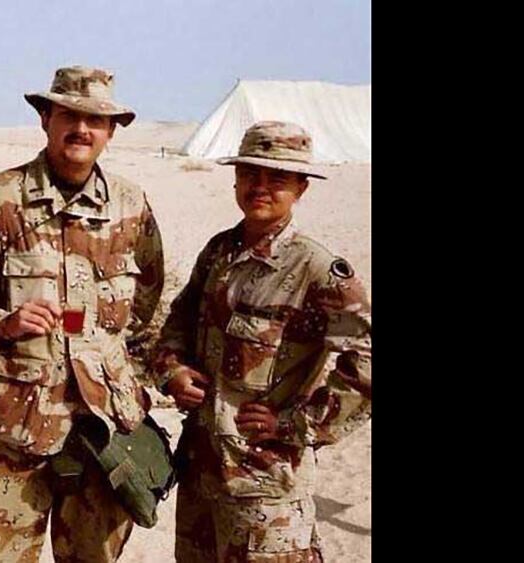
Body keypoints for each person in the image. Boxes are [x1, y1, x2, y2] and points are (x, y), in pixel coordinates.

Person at [0, 65, 165, 562]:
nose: (81, 129)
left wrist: (104, 354)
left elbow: (146, 298)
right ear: (46, 118)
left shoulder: (132, 206)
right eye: (69, 115)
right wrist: (2, 326)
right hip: (13, 429)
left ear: (111, 130)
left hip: (104, 429)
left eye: (95, 120)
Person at [153, 121, 372, 562]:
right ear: (236, 178)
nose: (261, 187)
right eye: (251, 174)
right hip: (201, 474)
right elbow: (177, 321)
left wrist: (296, 424)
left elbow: (366, 360)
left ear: (301, 189)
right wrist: (172, 371)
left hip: (266, 488)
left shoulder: (318, 271)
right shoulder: (219, 253)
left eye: (278, 178)